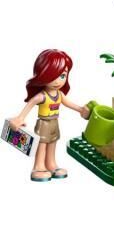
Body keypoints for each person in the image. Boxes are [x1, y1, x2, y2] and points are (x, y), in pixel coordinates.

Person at [7, 50, 90, 182]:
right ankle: (38, 167)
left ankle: (51, 165)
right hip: (44, 123)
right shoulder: (42, 96)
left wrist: (81, 110)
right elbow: (29, 105)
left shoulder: (59, 94)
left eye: (62, 75)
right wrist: (20, 118)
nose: (58, 81)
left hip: (54, 123)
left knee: (52, 143)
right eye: (52, 76)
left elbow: (69, 104)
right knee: (42, 144)